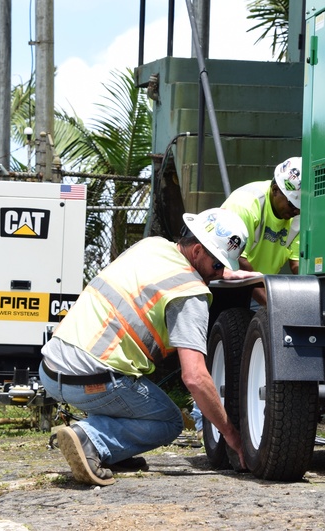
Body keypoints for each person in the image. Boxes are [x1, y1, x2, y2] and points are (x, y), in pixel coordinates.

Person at [40, 207, 255, 486]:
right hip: (91, 379)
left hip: (51, 368)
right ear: (198, 252)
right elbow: (195, 378)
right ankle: (90, 439)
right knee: (168, 421)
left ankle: (113, 451)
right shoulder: (191, 294)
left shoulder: (151, 246)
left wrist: (217, 272)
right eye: (217, 265)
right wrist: (231, 435)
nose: (218, 274)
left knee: (132, 391)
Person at [221, 157, 301, 306]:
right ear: (275, 190)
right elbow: (238, 259)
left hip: (262, 285)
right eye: (292, 205)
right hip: (230, 282)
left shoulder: (297, 215)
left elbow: (296, 263)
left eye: (300, 207)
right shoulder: (246, 205)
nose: (296, 211)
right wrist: (271, 306)